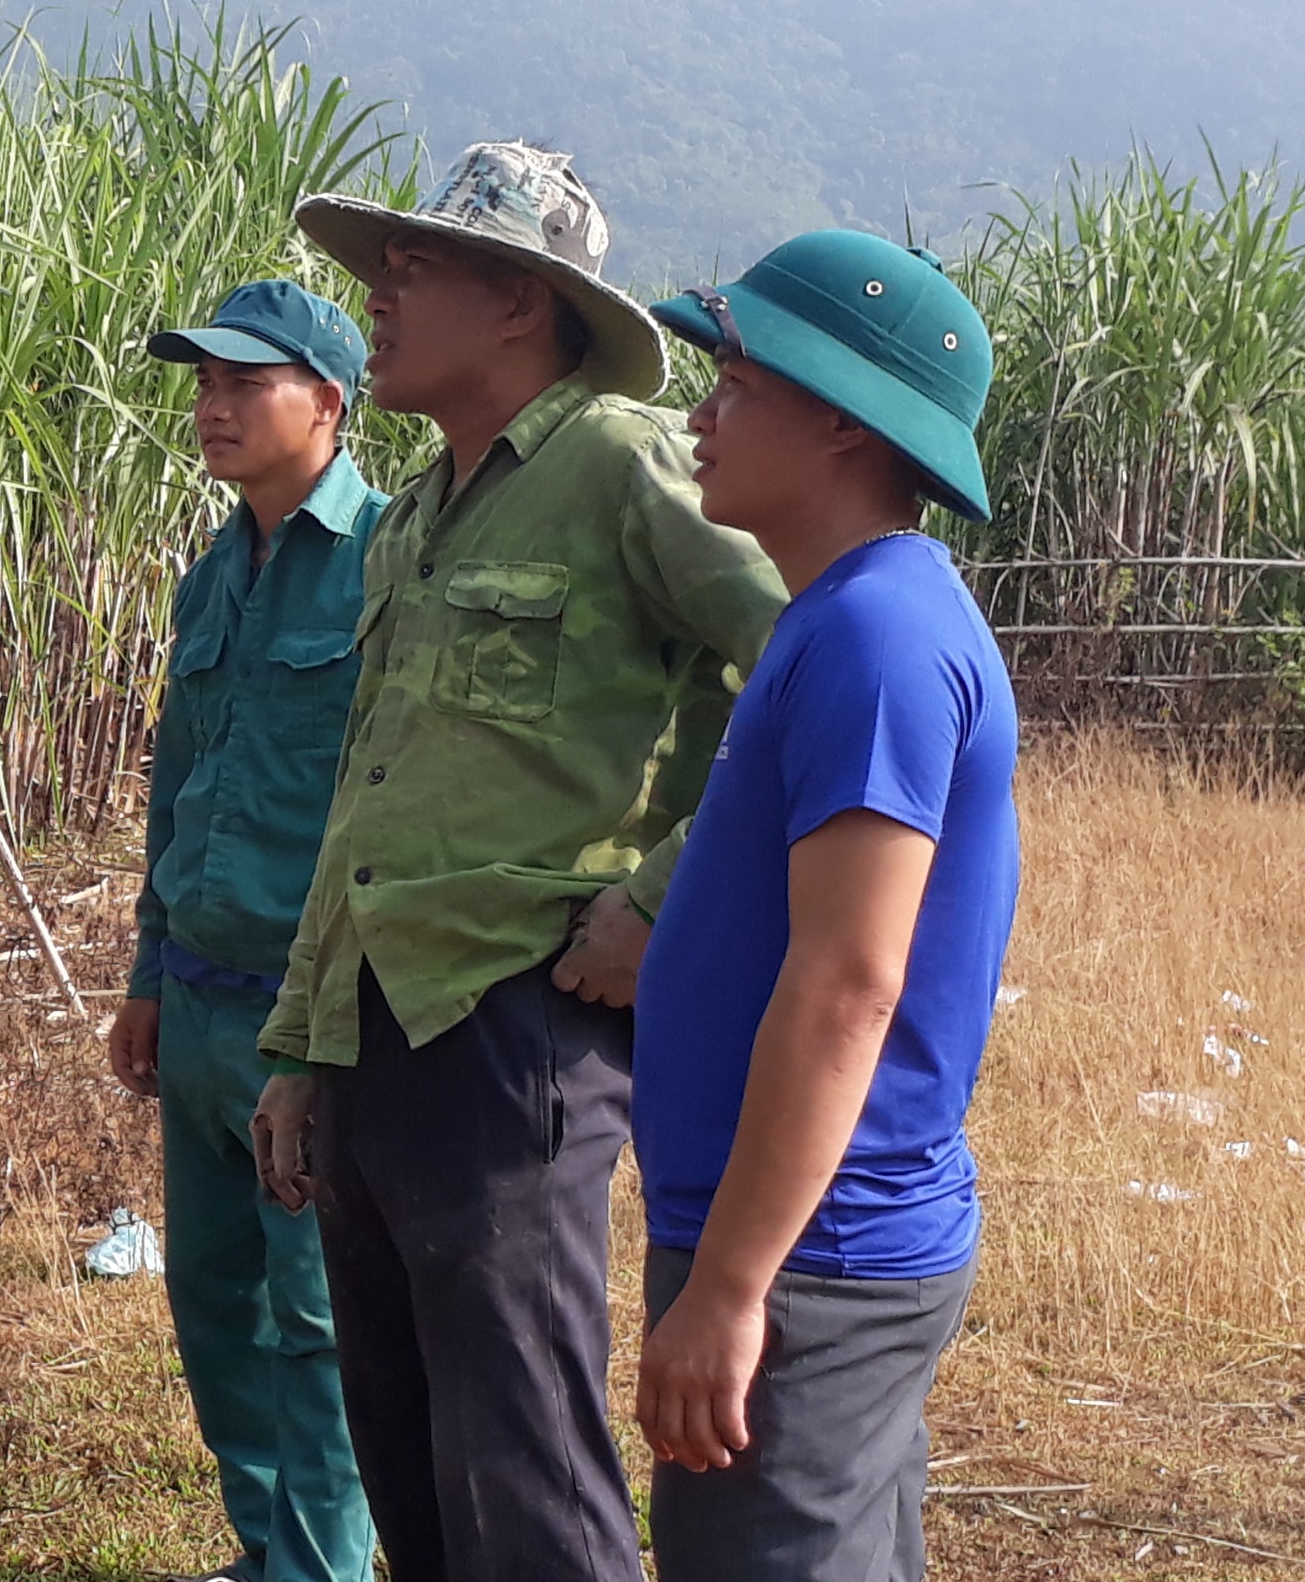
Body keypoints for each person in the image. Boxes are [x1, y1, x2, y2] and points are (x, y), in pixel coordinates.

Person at [244, 141, 787, 1582]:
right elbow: (366, 797)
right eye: (381, 267)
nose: (381, 292)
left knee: (525, 1480)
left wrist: (666, 897)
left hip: (512, 1028)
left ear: (523, 307)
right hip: (381, 1033)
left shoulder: (620, 465)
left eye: (420, 267)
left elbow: (806, 670)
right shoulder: (415, 517)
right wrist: (301, 1044)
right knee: (414, 1471)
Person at [626, 230, 1019, 1582]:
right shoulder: (839, 615)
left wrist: (733, 1287)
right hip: (803, 1242)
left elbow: (850, 983)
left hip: (810, 1257)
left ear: (844, 421)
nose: (700, 409)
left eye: (736, 378)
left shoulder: (877, 638)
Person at [117, 281, 387, 1582]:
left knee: (313, 1319)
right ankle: (267, 1549)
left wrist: (330, 1026)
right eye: (203, 387)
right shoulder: (213, 575)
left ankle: (323, 1567)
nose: (213, 409)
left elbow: (387, 814)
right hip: (201, 1006)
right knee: (215, 1307)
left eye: (246, 385)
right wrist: (147, 974)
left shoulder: (390, 564)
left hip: (303, 1012)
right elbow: (178, 784)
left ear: (328, 404)